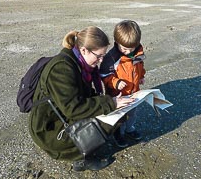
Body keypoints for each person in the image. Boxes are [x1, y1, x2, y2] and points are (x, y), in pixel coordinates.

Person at [28, 26, 134, 171]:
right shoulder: (62, 69)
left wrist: (112, 101)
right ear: (84, 50)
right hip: (49, 129)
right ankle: (81, 158)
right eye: (99, 56)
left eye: (103, 56)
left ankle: (84, 148)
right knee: (109, 120)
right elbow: (74, 108)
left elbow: (84, 94)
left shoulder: (77, 63)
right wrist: (111, 102)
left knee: (117, 113)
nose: (101, 61)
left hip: (61, 116)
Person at [100, 20, 146, 148]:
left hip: (134, 93)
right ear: (116, 42)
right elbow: (104, 75)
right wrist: (116, 82)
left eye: (131, 48)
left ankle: (130, 128)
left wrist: (141, 76)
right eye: (124, 48)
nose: (127, 51)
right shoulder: (112, 57)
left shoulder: (138, 52)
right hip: (118, 95)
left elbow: (140, 66)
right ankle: (117, 133)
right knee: (119, 116)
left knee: (132, 113)